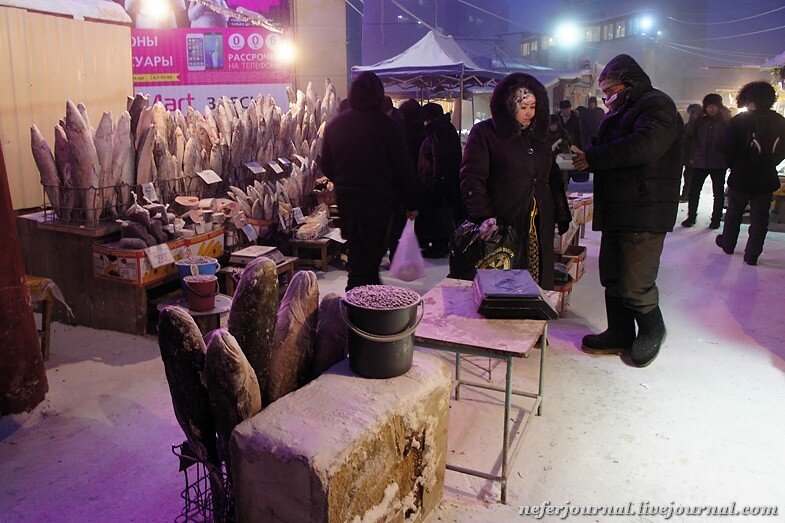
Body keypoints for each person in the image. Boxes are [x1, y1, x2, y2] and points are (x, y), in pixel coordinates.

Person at [572, 54, 683, 368]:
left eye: (609, 88)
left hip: (644, 208)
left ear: (628, 82)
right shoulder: (621, 109)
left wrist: (594, 157)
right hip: (619, 206)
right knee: (613, 276)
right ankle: (619, 332)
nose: (606, 96)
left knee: (635, 279)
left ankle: (652, 329)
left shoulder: (656, 105)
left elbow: (645, 146)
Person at [460, 73, 572, 290]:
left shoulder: (539, 136)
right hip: (503, 223)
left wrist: (561, 209)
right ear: (508, 105)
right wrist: (483, 215)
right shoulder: (485, 133)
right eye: (523, 107)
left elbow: (551, 174)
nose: (529, 113)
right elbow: (472, 177)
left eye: (533, 106)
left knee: (538, 283)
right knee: (504, 284)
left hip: (540, 224)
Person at [319, 72, 419, 290]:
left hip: (348, 204)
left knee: (359, 256)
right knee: (367, 262)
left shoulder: (336, 125)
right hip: (379, 204)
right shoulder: (387, 125)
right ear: (378, 95)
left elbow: (325, 164)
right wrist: (411, 203)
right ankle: (359, 308)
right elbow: (404, 167)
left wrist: (344, 182)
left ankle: (364, 304)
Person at [716, 81, 785, 265]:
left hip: (741, 176)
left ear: (750, 99)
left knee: (734, 212)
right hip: (766, 178)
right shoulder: (780, 121)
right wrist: (770, 163)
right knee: (760, 217)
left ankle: (728, 244)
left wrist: (735, 165)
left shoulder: (739, 120)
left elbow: (727, 148)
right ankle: (752, 254)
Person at [416, 102, 463, 258]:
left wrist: (437, 182)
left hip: (439, 185)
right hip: (439, 183)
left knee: (439, 214)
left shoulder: (439, 131)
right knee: (439, 214)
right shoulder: (442, 129)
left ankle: (439, 246)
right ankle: (439, 244)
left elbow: (440, 159)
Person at [681, 94, 731, 229]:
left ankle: (715, 219)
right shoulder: (700, 120)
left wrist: (727, 157)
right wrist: (692, 155)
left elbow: (731, 141)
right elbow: (690, 137)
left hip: (719, 162)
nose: (711, 109)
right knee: (694, 191)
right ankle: (691, 217)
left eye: (714, 106)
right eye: (709, 106)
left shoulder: (726, 121)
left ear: (719, 106)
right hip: (700, 161)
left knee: (718, 193)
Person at [387, 99, 425, 261]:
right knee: (397, 223)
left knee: (394, 224)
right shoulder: (416, 129)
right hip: (407, 182)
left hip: (391, 186)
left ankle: (395, 255)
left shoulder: (403, 130)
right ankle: (397, 255)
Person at [680, 103, 703, 202]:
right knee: (689, 176)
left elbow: (692, 141)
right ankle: (687, 195)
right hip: (691, 155)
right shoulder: (696, 123)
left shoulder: (694, 124)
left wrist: (692, 156)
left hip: (693, 155)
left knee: (689, 177)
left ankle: (687, 195)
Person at [547, 114, 573, 190]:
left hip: (562, 159)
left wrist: (560, 141)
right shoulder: (545, 134)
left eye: (555, 125)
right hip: (549, 159)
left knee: (563, 177)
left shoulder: (562, 132)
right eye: (552, 125)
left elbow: (569, 141)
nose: (553, 127)